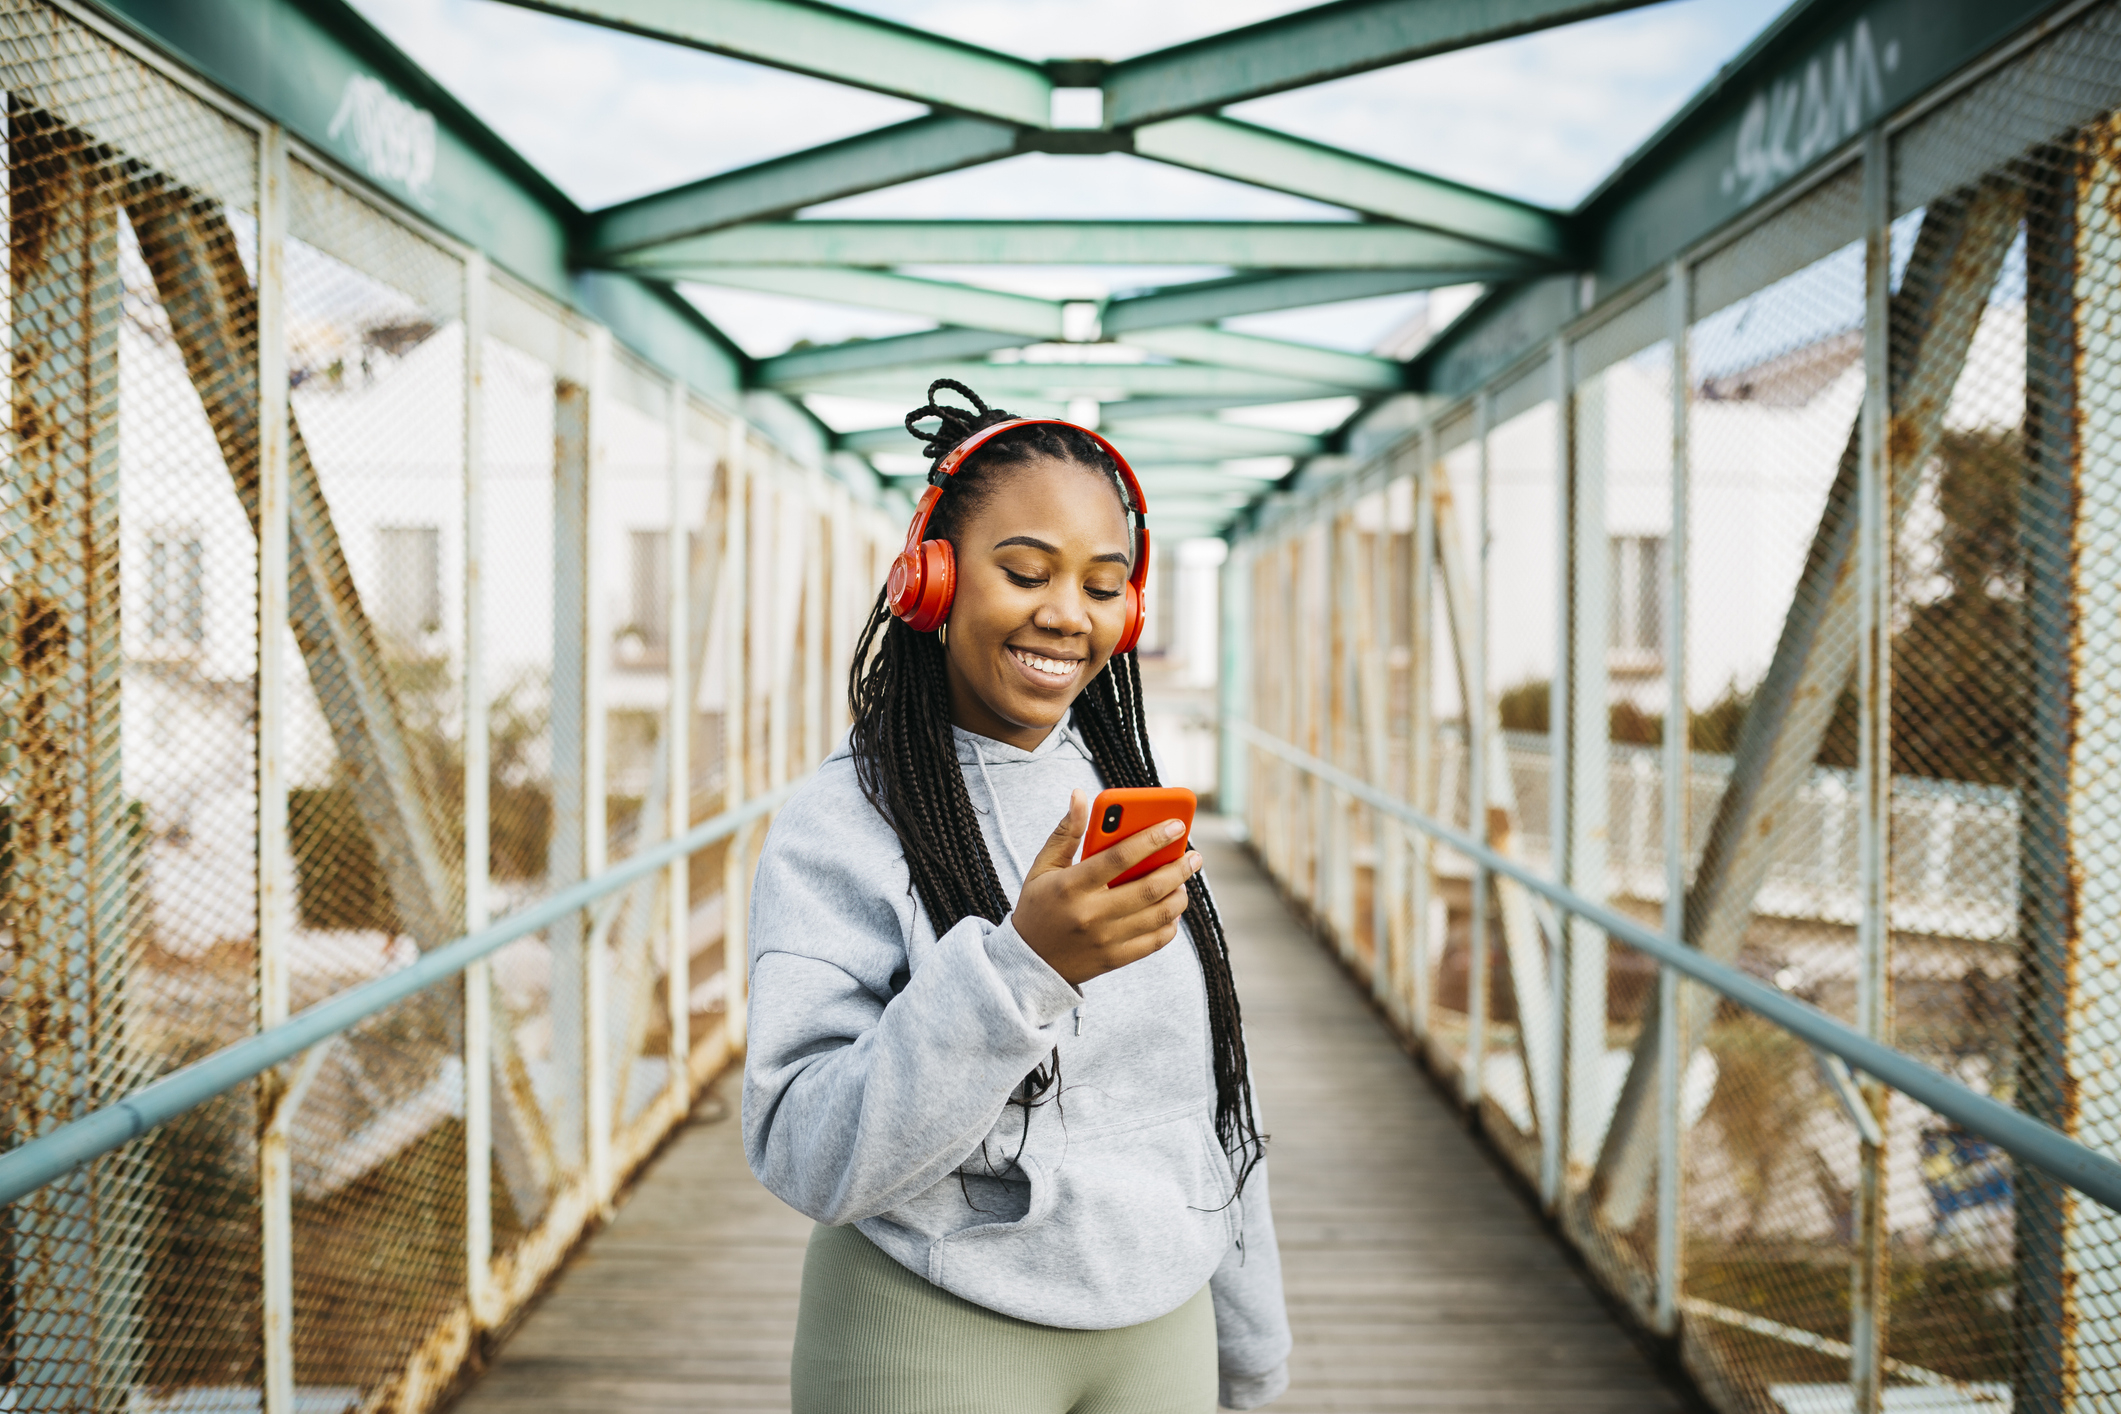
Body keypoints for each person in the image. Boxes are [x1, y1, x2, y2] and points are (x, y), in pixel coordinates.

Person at [742, 379, 1291, 1413]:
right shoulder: (843, 819)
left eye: (1101, 584)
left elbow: (1206, 1099)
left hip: (1160, 1326)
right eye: (1027, 572)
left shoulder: (1123, 790)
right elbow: (803, 1144)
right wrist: (1021, 971)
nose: (1064, 614)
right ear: (932, 581)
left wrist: (1252, 1343)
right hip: (927, 1323)